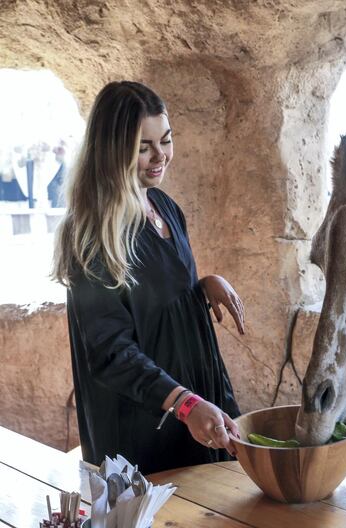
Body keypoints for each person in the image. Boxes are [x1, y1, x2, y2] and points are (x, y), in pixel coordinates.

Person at [52, 81, 244, 474]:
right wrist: (185, 405)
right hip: (142, 424)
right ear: (112, 150)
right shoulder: (91, 234)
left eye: (166, 140)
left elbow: (156, 293)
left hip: (195, 399)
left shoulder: (164, 207)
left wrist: (202, 285)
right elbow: (110, 352)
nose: (161, 156)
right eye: (143, 147)